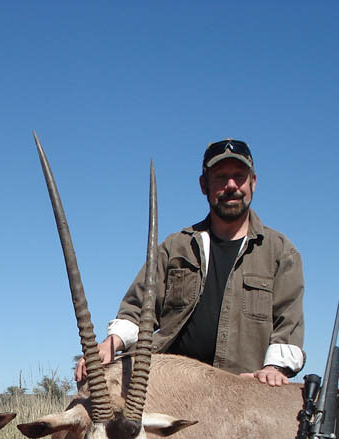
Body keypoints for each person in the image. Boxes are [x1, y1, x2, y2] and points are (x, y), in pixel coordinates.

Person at [76, 138, 304, 387]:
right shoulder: (174, 247)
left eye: (239, 176)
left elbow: (288, 324)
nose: (231, 185)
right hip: (172, 386)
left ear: (253, 182)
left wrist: (273, 368)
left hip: (242, 390)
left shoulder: (281, 252)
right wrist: (112, 343)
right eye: (220, 177)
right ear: (203, 185)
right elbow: (137, 309)